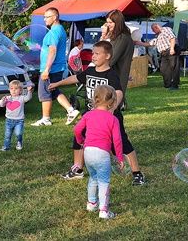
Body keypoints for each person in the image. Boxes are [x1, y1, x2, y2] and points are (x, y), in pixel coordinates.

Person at [49, 41, 146, 186]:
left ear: (107, 56)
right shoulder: (90, 71)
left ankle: (137, 173)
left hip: (110, 117)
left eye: (97, 54)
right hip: (91, 116)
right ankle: (78, 169)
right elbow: (76, 78)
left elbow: (118, 92)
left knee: (122, 143)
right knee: (78, 139)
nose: (93, 56)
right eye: (93, 53)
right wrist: (58, 84)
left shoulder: (111, 74)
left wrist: (112, 109)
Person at [74, 84, 124, 220]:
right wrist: (120, 158)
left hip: (87, 152)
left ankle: (91, 203)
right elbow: (117, 141)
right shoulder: (113, 119)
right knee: (104, 182)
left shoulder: (88, 115)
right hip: (102, 154)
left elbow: (77, 130)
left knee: (93, 178)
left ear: (95, 99)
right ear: (112, 102)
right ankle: (104, 210)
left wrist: (81, 141)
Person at [32, 7, 80, 126]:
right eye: (44, 17)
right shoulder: (60, 30)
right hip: (58, 67)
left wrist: (46, 70)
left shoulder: (53, 32)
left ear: (55, 17)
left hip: (51, 68)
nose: (44, 19)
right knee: (54, 91)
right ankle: (71, 110)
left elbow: (53, 51)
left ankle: (46, 119)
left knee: (45, 93)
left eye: (47, 17)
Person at [137, 24, 180, 90]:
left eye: (153, 30)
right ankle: (167, 85)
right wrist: (137, 42)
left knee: (174, 67)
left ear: (156, 27)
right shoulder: (158, 36)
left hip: (170, 50)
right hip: (163, 53)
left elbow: (172, 38)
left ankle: (175, 85)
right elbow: (149, 44)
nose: (153, 31)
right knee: (163, 69)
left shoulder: (165, 29)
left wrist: (172, 48)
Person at [101, 10, 134, 94]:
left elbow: (112, 58)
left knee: (112, 101)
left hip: (116, 76)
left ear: (118, 22)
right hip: (112, 74)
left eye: (111, 22)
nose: (108, 25)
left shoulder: (122, 38)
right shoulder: (115, 36)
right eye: (107, 22)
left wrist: (99, 66)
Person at [0, 80, 33, 151]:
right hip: (9, 120)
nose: (13, 90)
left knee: (18, 133)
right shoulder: (8, 98)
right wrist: (2, 100)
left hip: (19, 120)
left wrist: (29, 91)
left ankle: (19, 142)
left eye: (16, 89)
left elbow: (28, 98)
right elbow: (1, 105)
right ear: (9, 90)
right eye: (11, 88)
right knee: (7, 135)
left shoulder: (22, 98)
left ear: (20, 90)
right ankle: (6, 147)